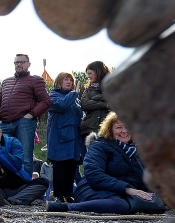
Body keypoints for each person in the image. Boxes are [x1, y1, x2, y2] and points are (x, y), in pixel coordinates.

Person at [47, 112, 163, 214]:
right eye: (118, 127)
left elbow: (143, 180)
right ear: (109, 130)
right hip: (93, 189)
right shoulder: (99, 146)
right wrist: (127, 189)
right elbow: (94, 175)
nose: (124, 131)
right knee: (121, 205)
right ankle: (67, 207)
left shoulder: (136, 152)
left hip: (122, 193)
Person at [0, 53, 51, 172]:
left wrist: (30, 115)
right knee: (3, 156)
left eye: (21, 62)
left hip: (24, 123)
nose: (18, 65)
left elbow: (46, 101)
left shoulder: (36, 80)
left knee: (25, 158)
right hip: (4, 124)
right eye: (16, 62)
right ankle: (6, 187)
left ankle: (25, 187)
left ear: (29, 64)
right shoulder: (6, 82)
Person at [0, 119, 49, 205]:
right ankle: (11, 200)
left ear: (1, 131)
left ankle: (11, 200)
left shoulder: (13, 142)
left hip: (18, 186)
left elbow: (16, 165)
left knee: (43, 183)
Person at [46, 72, 84, 202]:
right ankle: (59, 195)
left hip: (74, 139)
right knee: (60, 167)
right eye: (66, 80)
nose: (69, 82)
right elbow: (62, 106)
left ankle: (69, 195)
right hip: (59, 139)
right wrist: (74, 94)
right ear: (59, 82)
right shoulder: (53, 96)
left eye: (70, 80)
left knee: (71, 167)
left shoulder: (75, 99)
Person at [79, 60, 112, 140]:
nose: (88, 76)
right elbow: (84, 104)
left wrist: (96, 98)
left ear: (98, 72)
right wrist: (105, 105)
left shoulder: (112, 87)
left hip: (108, 127)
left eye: (90, 73)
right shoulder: (88, 90)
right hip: (90, 129)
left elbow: (115, 103)